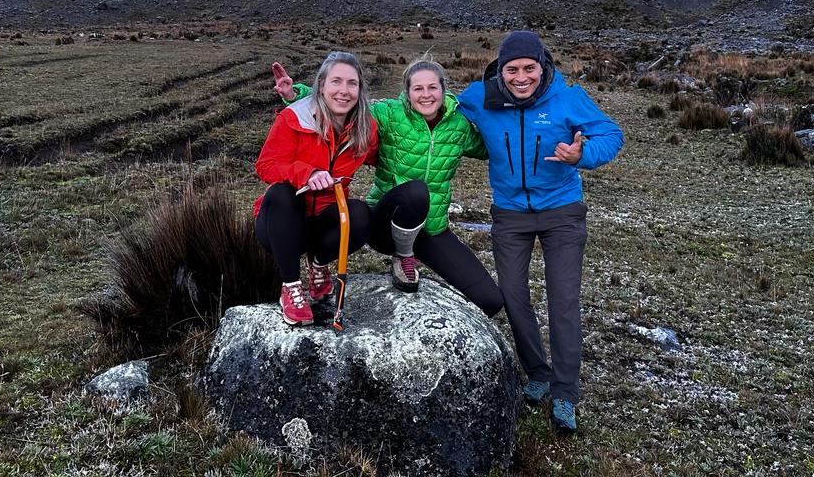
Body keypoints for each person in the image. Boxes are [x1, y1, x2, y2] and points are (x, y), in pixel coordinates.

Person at [457, 31, 624, 434]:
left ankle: (565, 392)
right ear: (500, 71)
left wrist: (582, 154)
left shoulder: (567, 97)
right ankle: (538, 372)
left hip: (562, 214)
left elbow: (611, 134)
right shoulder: (480, 97)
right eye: (512, 70)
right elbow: (427, 105)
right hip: (510, 216)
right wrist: (307, 92)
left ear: (543, 66)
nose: (520, 78)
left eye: (529, 68)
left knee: (562, 302)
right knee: (513, 298)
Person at [273, 55, 504, 316]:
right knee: (417, 191)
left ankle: (413, 255)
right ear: (407, 92)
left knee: (490, 300)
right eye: (417, 88)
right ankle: (402, 257)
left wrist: (513, 124)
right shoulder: (389, 114)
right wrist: (296, 94)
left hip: (430, 227)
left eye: (432, 88)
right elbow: (343, 101)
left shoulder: (459, 126)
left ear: (443, 90)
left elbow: (490, 148)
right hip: (385, 223)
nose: (426, 95)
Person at [254, 51, 379, 326]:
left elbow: (380, 156)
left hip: (325, 223)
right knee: (281, 193)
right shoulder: (294, 118)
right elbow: (266, 165)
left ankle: (319, 264)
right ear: (321, 85)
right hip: (282, 224)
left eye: (352, 83)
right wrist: (306, 173)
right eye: (336, 82)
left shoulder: (365, 128)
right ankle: (291, 286)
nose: (343, 91)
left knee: (361, 214)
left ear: (360, 89)